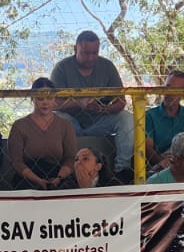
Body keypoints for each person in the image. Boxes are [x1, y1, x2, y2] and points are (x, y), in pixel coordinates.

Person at [50, 30, 132, 178]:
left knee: (126, 118)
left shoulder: (107, 67)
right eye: (86, 53)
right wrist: (79, 103)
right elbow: (52, 104)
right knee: (55, 118)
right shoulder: (62, 68)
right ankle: (61, 170)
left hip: (100, 121)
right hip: (71, 124)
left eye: (95, 53)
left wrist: (104, 109)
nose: (91, 58)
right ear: (75, 49)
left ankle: (123, 170)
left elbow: (121, 101)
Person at [8, 77, 77, 190]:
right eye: (40, 98)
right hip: (28, 178)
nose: (45, 102)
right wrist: (37, 180)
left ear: (55, 98)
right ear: (32, 98)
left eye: (49, 98)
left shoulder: (65, 125)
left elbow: (70, 158)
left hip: (58, 176)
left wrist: (59, 178)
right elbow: (16, 161)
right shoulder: (19, 126)